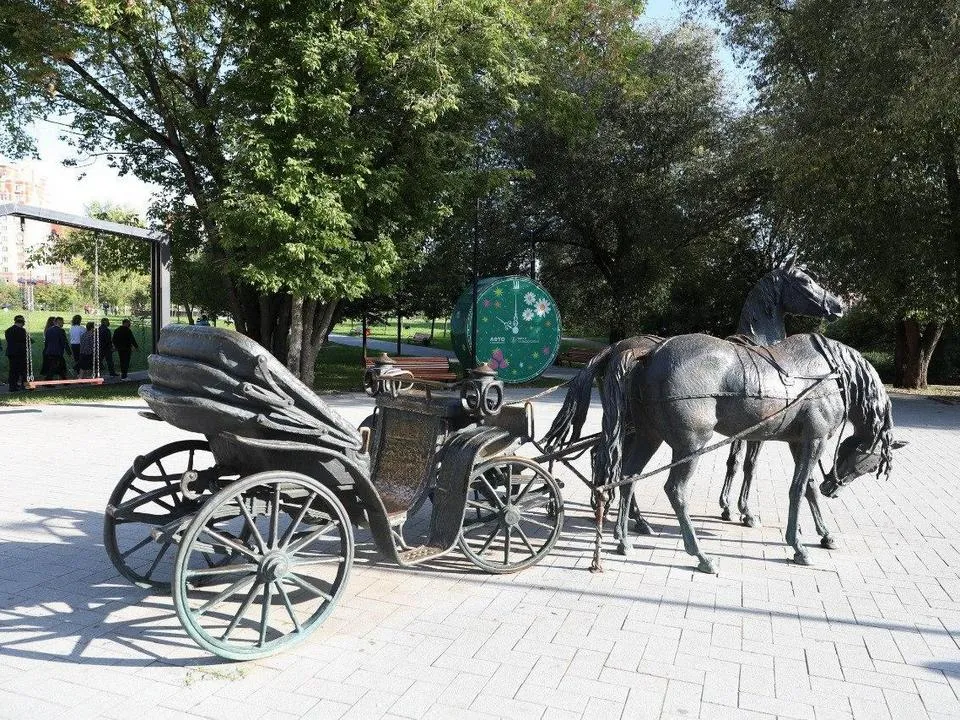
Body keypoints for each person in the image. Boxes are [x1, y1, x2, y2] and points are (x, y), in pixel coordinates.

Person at [4, 315, 28, 392]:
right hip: (20, 353)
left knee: (13, 370)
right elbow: (25, 340)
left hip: (11, 352)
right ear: (22, 323)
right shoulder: (22, 331)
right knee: (23, 369)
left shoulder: (8, 330)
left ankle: (12, 386)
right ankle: (24, 385)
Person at [42, 316, 69, 381]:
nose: (63, 324)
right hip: (57, 351)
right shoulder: (61, 331)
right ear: (59, 322)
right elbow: (64, 342)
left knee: (59, 366)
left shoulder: (48, 330)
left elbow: (47, 342)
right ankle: (47, 381)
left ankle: (64, 380)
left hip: (49, 351)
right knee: (54, 367)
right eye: (62, 322)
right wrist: (69, 352)